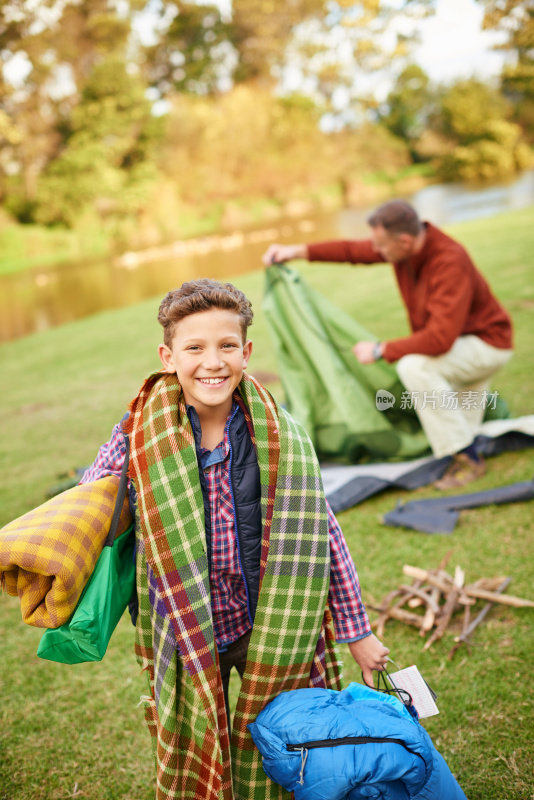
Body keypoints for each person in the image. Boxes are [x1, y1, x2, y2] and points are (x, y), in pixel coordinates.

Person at [81, 278, 389, 800]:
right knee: (199, 738)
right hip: (184, 627)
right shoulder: (138, 433)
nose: (212, 362)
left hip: (269, 622)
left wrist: (356, 630)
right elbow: (93, 501)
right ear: (168, 355)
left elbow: (322, 533)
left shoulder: (280, 434)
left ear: (246, 352)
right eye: (194, 348)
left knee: (290, 735)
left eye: (226, 346)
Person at [263, 200, 513, 490]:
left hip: (486, 345)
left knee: (415, 366)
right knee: (461, 426)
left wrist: (381, 350)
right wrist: (296, 252)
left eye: (381, 245)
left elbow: (439, 339)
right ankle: (465, 447)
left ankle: (468, 461)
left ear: (404, 241)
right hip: (462, 345)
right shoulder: (406, 248)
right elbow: (353, 251)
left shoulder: (448, 261)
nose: (376, 251)